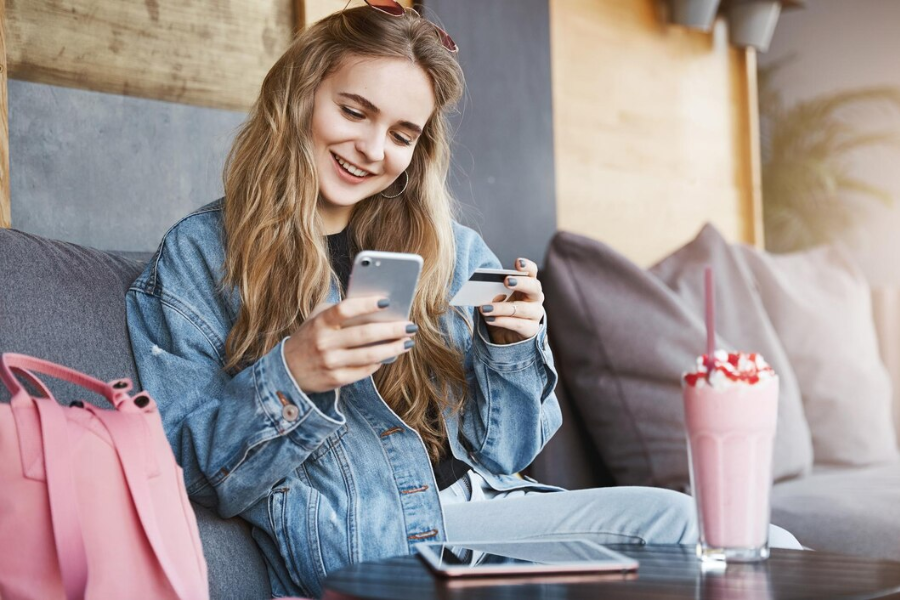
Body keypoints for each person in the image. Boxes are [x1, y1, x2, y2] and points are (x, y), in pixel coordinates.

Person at [126, 3, 800, 597]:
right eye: (354, 111)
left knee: (753, 542)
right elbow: (178, 465)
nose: (371, 149)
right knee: (697, 532)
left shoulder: (446, 249)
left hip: (480, 507)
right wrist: (292, 375)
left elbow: (503, 453)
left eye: (401, 134)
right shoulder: (199, 256)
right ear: (298, 96)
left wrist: (511, 348)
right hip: (369, 532)